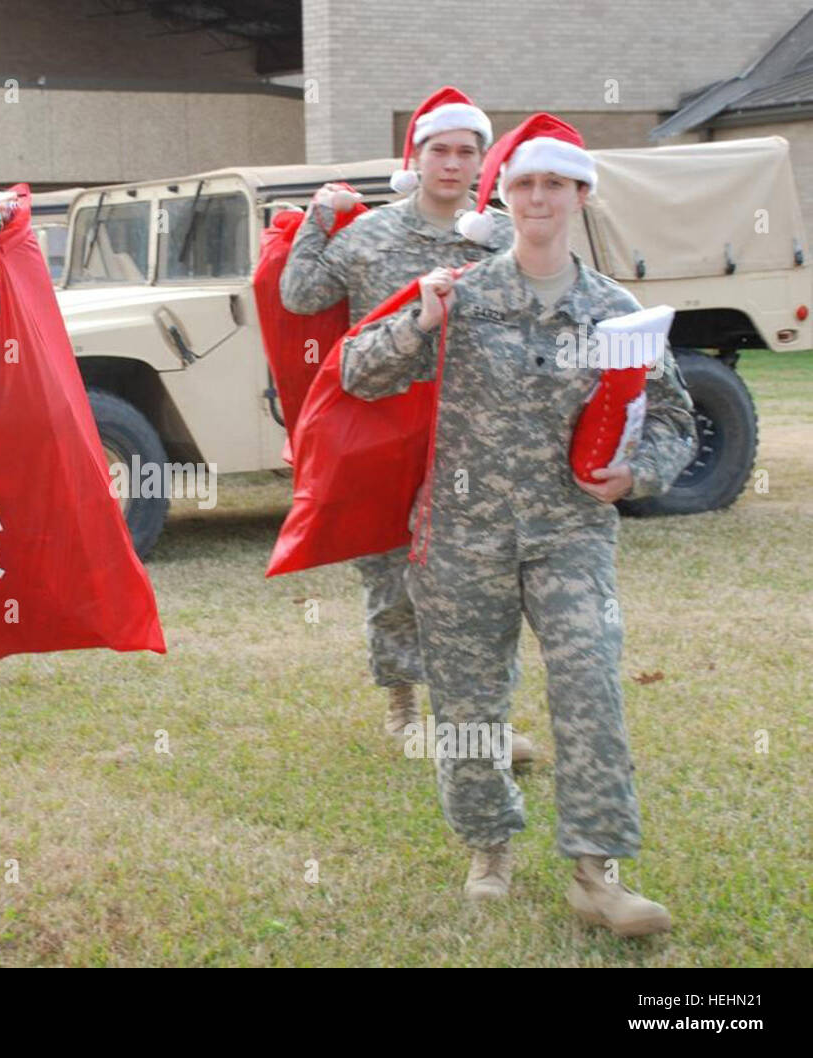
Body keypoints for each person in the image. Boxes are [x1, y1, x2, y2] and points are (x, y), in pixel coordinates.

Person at [340, 113, 697, 935]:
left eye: (555, 184)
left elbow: (674, 416)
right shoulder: (461, 296)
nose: (538, 197)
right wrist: (417, 323)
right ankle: (489, 847)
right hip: (462, 536)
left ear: (579, 194)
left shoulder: (617, 312)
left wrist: (636, 474)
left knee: (591, 685)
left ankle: (596, 873)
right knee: (468, 706)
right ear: (503, 195)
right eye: (524, 183)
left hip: (570, 532)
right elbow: (358, 371)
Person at [279, 87, 534, 764]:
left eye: (466, 153)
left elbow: (550, 296)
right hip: (386, 424)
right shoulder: (370, 236)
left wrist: (506, 240)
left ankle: (485, 719)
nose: (451, 164)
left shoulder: (502, 236)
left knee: (483, 576)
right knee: (390, 571)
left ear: (482, 163)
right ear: (415, 159)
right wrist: (316, 218)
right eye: (439, 150)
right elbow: (300, 294)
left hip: (474, 425)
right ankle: (402, 699)